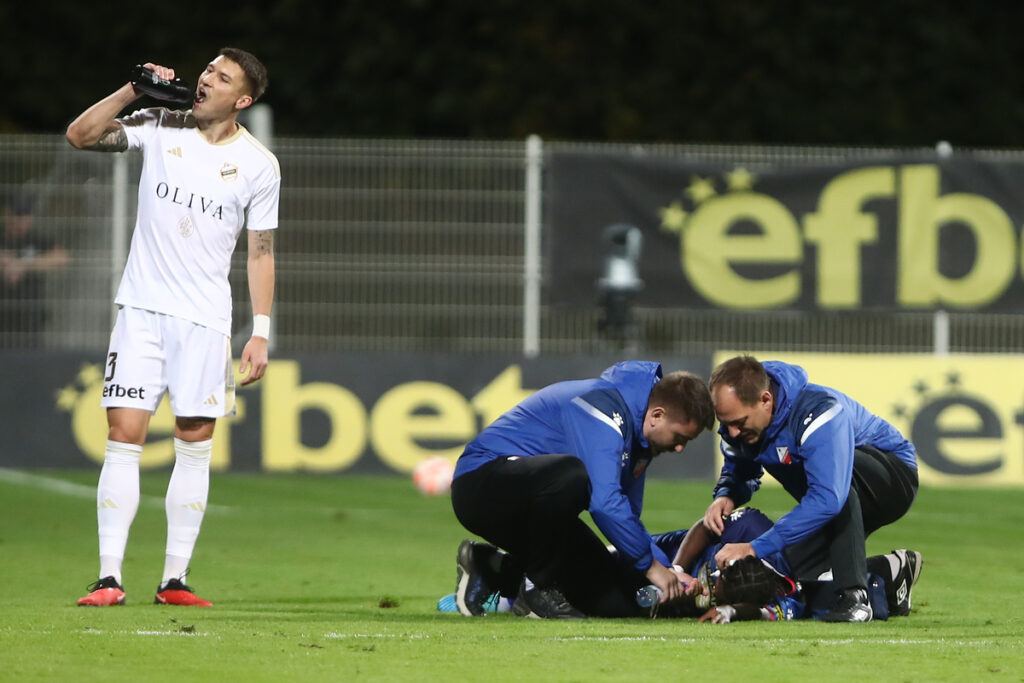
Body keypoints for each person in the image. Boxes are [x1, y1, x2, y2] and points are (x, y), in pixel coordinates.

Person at [65, 48, 280, 607]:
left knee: (194, 442)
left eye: (222, 77)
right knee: (124, 436)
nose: (206, 79)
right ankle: (109, 577)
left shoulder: (258, 165)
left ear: (244, 100)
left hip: (206, 323)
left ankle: (174, 580)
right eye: (207, 69)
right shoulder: (160, 122)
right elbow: (81, 136)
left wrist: (260, 331)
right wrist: (131, 91)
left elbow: (261, 253)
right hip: (140, 311)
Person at [450, 361, 716, 618]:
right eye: (679, 438)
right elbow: (604, 504)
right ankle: (537, 590)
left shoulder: (639, 440)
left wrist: (669, 571)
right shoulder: (603, 409)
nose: (680, 448)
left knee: (613, 598)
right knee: (573, 475)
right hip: (480, 486)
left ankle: (491, 570)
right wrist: (651, 567)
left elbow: (627, 517)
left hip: (535, 505)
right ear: (657, 415)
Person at [703, 355, 919, 622]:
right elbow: (742, 469)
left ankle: (855, 598)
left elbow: (829, 498)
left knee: (833, 489)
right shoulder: (741, 426)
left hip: (892, 478)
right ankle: (890, 574)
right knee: (792, 576)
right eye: (726, 423)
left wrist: (755, 547)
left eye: (739, 422)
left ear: (765, 400)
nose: (732, 432)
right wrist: (727, 495)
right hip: (835, 495)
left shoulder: (817, 411)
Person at [650, 507, 922, 622]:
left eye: (713, 595)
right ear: (725, 566)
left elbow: (763, 613)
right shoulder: (749, 529)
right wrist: (677, 570)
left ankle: (890, 573)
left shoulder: (783, 598)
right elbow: (705, 527)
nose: (707, 591)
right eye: (714, 584)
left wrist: (731, 611)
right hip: (668, 552)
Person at [0, 191, 69, 348]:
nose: (22, 220)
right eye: (18, 215)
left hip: (29, 321)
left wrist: (24, 264)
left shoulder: (36, 239)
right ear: (7, 214)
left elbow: (61, 257)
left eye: (26, 215)